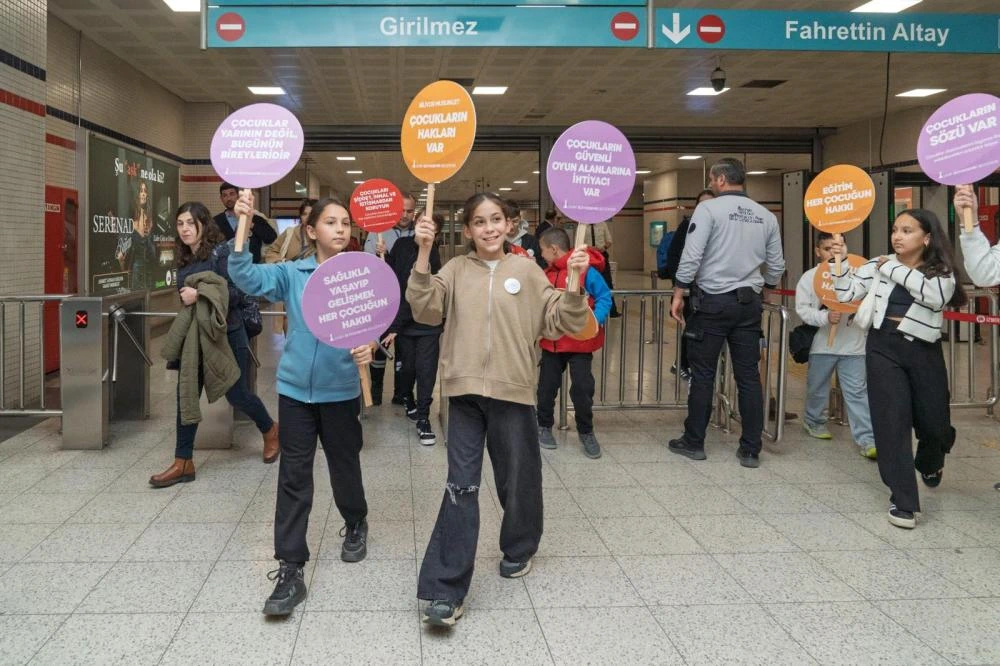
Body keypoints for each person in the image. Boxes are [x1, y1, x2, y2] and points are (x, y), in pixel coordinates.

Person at [408, 192, 591, 627]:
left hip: (513, 393)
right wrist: (423, 253)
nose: (488, 228)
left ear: (509, 225)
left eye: (496, 220)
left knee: (517, 479)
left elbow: (561, 320)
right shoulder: (453, 270)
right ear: (468, 230)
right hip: (465, 394)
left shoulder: (526, 271)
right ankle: (447, 591)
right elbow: (426, 308)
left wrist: (575, 282)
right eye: (479, 222)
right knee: (462, 486)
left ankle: (519, 547)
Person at [230, 192, 375, 615]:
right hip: (295, 391)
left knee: (344, 464)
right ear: (311, 231)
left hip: (341, 390)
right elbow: (245, 277)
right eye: (331, 222)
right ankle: (290, 567)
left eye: (346, 223)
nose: (341, 229)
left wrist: (370, 346)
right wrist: (242, 226)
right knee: (294, 476)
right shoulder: (292, 274)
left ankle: (355, 521)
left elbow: (376, 325)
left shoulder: (361, 275)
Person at [831, 210, 965, 529]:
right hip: (882, 346)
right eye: (895, 230)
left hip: (923, 348)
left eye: (907, 230)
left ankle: (931, 462)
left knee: (934, 423)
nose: (897, 236)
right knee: (891, 423)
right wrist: (839, 263)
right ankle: (903, 500)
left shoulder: (939, 271)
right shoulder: (877, 265)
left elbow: (934, 298)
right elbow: (845, 293)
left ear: (927, 237)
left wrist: (890, 267)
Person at [150, 202, 279, 489]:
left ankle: (270, 430)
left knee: (237, 394)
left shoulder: (221, 254)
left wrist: (201, 294)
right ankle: (183, 461)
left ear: (203, 224)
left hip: (227, 333)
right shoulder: (184, 258)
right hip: (196, 335)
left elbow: (236, 292)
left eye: (190, 223)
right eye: (180, 223)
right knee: (187, 393)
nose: (184, 229)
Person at [668, 158, 785, 469]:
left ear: (719, 180)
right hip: (749, 307)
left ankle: (694, 442)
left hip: (712, 304)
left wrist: (679, 291)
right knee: (748, 376)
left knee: (703, 373)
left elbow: (692, 255)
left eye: (711, 179)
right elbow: (776, 265)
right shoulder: (766, 216)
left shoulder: (708, 210)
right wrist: (768, 287)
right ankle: (750, 448)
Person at [795, 233, 876, 460]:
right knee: (817, 387)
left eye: (839, 246)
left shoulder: (860, 274)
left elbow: (870, 304)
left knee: (857, 392)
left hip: (854, 345)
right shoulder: (810, 278)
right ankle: (814, 421)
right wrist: (824, 317)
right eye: (828, 248)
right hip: (822, 345)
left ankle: (867, 438)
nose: (834, 252)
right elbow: (802, 309)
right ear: (818, 251)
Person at [535, 227, 612, 459]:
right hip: (553, 342)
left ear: (554, 249)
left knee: (582, 388)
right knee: (546, 387)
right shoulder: (546, 274)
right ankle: (543, 426)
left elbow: (605, 297)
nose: (541, 255)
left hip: (580, 343)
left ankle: (586, 431)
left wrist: (592, 323)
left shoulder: (585, 271)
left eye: (543, 250)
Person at [385, 212, 444, 445]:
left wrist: (395, 324)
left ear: (435, 232)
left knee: (426, 371)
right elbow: (391, 280)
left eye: (430, 226)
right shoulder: (400, 244)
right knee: (407, 369)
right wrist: (384, 257)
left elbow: (419, 296)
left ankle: (423, 418)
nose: (424, 227)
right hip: (403, 321)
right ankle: (407, 396)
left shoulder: (434, 254)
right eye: (421, 222)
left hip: (427, 322)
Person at [364, 192, 417, 405]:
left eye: (410, 210)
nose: (405, 215)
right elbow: (365, 265)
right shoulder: (378, 232)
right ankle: (375, 388)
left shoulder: (419, 233)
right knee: (378, 345)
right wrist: (377, 255)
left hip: (409, 301)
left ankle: (401, 392)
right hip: (382, 299)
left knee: (405, 350)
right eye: (401, 210)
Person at [661, 189, 715, 380]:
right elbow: (675, 255)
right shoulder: (687, 226)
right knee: (692, 327)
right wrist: (680, 287)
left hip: (712, 290)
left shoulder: (719, 226)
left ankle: (703, 364)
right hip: (691, 289)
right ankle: (683, 362)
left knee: (709, 330)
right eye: (702, 204)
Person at [215, 182, 277, 264]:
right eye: (225, 195)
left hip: (253, 266)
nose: (229, 198)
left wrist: (250, 224)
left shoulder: (256, 218)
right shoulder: (215, 221)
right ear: (221, 199)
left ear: (238, 196)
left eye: (232, 194)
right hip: (226, 269)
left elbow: (271, 237)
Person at [118, 180, 157, 289]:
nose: (143, 194)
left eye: (145, 191)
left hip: (148, 269)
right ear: (137, 194)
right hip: (137, 268)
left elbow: (152, 252)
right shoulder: (132, 217)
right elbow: (122, 255)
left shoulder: (149, 218)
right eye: (141, 191)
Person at [265, 199, 316, 264]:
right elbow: (271, 251)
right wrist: (280, 263)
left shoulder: (323, 236)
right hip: (288, 272)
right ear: (300, 216)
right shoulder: (290, 232)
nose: (308, 218)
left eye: (311, 214)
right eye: (304, 214)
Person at [505, 201, 542, 266]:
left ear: (520, 219)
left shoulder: (532, 241)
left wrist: (536, 263)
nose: (511, 226)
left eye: (515, 221)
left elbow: (544, 264)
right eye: (507, 222)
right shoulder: (496, 241)